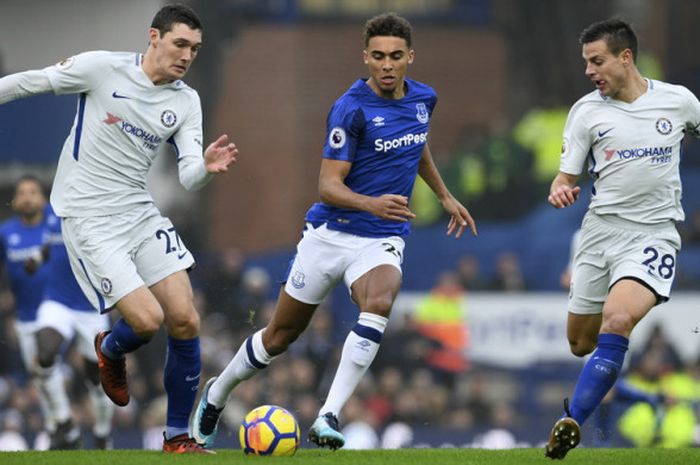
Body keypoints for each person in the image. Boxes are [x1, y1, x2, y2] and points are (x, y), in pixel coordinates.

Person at [190, 12, 477, 450]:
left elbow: (417, 145)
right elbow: (327, 186)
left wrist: (443, 195)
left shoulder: (424, 99)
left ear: (410, 57)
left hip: (380, 237)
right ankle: (217, 392)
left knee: (380, 299)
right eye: (378, 56)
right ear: (365, 57)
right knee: (278, 338)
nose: (386, 65)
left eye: (395, 56)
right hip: (330, 235)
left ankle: (328, 415)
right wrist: (372, 202)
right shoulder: (350, 109)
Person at [0, 4, 238, 454]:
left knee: (185, 318)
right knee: (146, 321)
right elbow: (32, 80)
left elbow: (189, 175)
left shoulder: (186, 101)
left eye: (195, 49)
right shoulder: (102, 69)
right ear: (154, 37)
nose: (187, 56)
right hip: (88, 218)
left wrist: (205, 168)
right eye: (179, 44)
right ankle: (110, 348)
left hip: (138, 212)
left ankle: (177, 438)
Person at [545, 18, 700, 459]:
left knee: (617, 321)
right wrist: (560, 189)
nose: (590, 71)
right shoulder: (586, 112)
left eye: (597, 61)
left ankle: (570, 421)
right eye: (586, 62)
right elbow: (564, 176)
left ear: (625, 57)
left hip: (653, 234)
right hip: (599, 234)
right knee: (580, 343)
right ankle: (602, 390)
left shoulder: (679, 102)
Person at [34, 203, 115, 449]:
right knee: (45, 355)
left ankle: (102, 432)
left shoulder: (101, 208)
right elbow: (49, 244)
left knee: (98, 378)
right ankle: (64, 421)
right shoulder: (51, 209)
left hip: (91, 308)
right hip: (57, 301)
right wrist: (37, 257)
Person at [0, 175, 67, 448]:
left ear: (42, 199)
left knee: (48, 369)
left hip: (57, 313)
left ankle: (58, 427)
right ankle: (54, 428)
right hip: (25, 318)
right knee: (40, 376)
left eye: (33, 192)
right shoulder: (5, 233)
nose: (27, 197)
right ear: (15, 201)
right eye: (22, 193)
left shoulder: (55, 229)